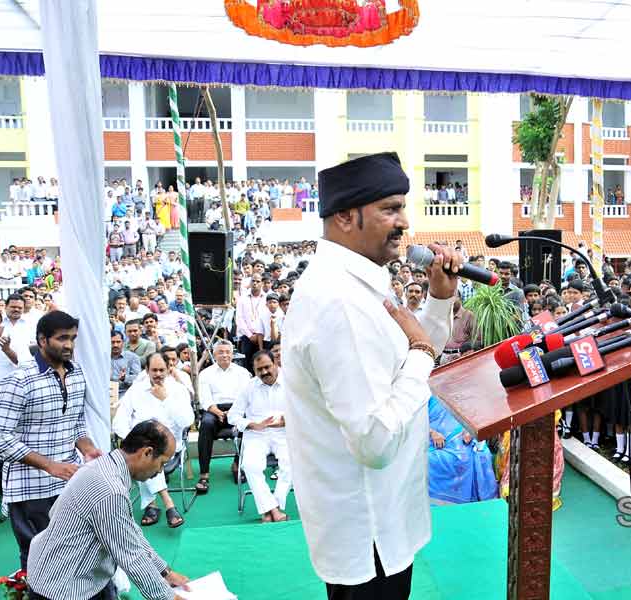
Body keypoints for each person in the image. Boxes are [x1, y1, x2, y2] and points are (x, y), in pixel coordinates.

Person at [282, 152, 460, 600]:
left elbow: (405, 363)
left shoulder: (362, 280)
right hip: (369, 533)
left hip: (384, 520)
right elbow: (374, 442)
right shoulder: (337, 301)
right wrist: (422, 353)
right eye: (389, 209)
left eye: (402, 206)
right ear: (344, 215)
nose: (403, 222)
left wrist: (438, 305)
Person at [27, 420, 191, 600]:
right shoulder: (110, 490)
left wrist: (165, 571)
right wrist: (169, 598)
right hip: (64, 589)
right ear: (147, 452)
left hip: (75, 577)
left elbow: (129, 532)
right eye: (161, 463)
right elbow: (131, 557)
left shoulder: (106, 465)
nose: (160, 471)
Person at [0, 310, 103, 570]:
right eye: (62, 338)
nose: (69, 345)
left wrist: (87, 448)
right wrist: (49, 465)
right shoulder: (19, 380)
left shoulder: (77, 373)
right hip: (29, 488)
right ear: (42, 340)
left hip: (68, 481)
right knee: (38, 560)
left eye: (73, 338)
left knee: (73, 554)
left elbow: (75, 421)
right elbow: (0, 437)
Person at [113, 353, 193, 528]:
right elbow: (119, 421)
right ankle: (168, 503)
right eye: (154, 370)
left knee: (146, 456)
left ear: (169, 368)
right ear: (146, 370)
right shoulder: (136, 389)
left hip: (169, 447)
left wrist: (166, 399)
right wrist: (132, 441)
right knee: (143, 453)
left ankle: (152, 505)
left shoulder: (178, 390)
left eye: (161, 370)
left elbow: (187, 421)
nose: (158, 374)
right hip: (140, 446)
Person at [228, 350, 292, 523]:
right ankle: (272, 510)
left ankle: (274, 507)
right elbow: (232, 416)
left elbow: (307, 410)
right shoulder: (249, 386)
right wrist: (252, 424)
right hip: (257, 435)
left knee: (291, 464)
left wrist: (288, 420)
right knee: (250, 466)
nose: (264, 372)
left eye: (267, 367)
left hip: (285, 433)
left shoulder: (292, 382)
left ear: (276, 363)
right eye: (259, 369)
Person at [195, 340, 252, 494]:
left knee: (249, 425)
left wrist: (233, 412)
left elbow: (246, 397)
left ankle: (237, 464)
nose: (225, 355)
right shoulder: (205, 374)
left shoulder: (242, 372)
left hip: (237, 409)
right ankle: (204, 474)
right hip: (214, 411)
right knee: (206, 424)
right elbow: (205, 400)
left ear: (233, 354)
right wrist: (219, 412)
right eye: (221, 352)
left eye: (227, 352)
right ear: (214, 354)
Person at [427, 395, 498, 504]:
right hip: (432, 438)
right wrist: (432, 433)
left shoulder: (459, 388)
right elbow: (416, 423)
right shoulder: (423, 392)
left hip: (461, 435)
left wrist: (469, 429)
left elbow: (475, 413)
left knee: (479, 455)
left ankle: (476, 501)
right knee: (435, 460)